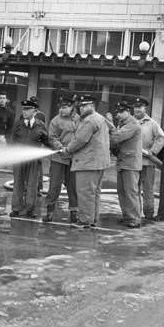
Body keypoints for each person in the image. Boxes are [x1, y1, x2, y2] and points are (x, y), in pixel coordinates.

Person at [60, 95, 111, 228]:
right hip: (99, 162)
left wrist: (67, 150)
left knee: (85, 193)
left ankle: (84, 221)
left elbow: (80, 140)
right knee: (94, 193)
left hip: (87, 162)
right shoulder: (100, 118)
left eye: (84, 105)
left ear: (91, 106)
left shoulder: (89, 120)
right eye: (80, 106)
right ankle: (92, 219)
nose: (81, 108)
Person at [8, 98, 49, 218]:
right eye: (23, 109)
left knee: (32, 185)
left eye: (27, 109)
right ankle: (16, 208)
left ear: (34, 111)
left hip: (34, 160)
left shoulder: (40, 125)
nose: (24, 112)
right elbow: (12, 140)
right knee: (18, 183)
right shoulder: (18, 124)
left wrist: (56, 148)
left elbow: (46, 141)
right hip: (19, 158)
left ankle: (30, 209)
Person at [43, 98, 78, 224]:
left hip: (74, 159)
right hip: (58, 158)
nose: (61, 110)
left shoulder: (79, 119)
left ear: (71, 107)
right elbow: (51, 137)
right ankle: (49, 212)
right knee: (54, 186)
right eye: (61, 107)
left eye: (65, 107)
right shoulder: (55, 121)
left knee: (73, 187)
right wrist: (60, 147)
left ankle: (74, 213)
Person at [110, 101, 143, 228]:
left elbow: (116, 137)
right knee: (122, 192)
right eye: (117, 112)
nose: (118, 114)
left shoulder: (132, 124)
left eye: (121, 112)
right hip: (123, 162)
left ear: (128, 112)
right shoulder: (122, 123)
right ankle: (127, 216)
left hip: (130, 163)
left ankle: (135, 218)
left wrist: (109, 126)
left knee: (130, 192)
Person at [132, 97, 164, 222]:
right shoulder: (130, 121)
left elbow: (161, 137)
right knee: (133, 190)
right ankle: (135, 214)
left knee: (148, 190)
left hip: (147, 162)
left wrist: (152, 151)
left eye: (140, 107)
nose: (137, 109)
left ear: (145, 108)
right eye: (135, 107)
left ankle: (149, 214)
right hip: (132, 162)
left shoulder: (152, 123)